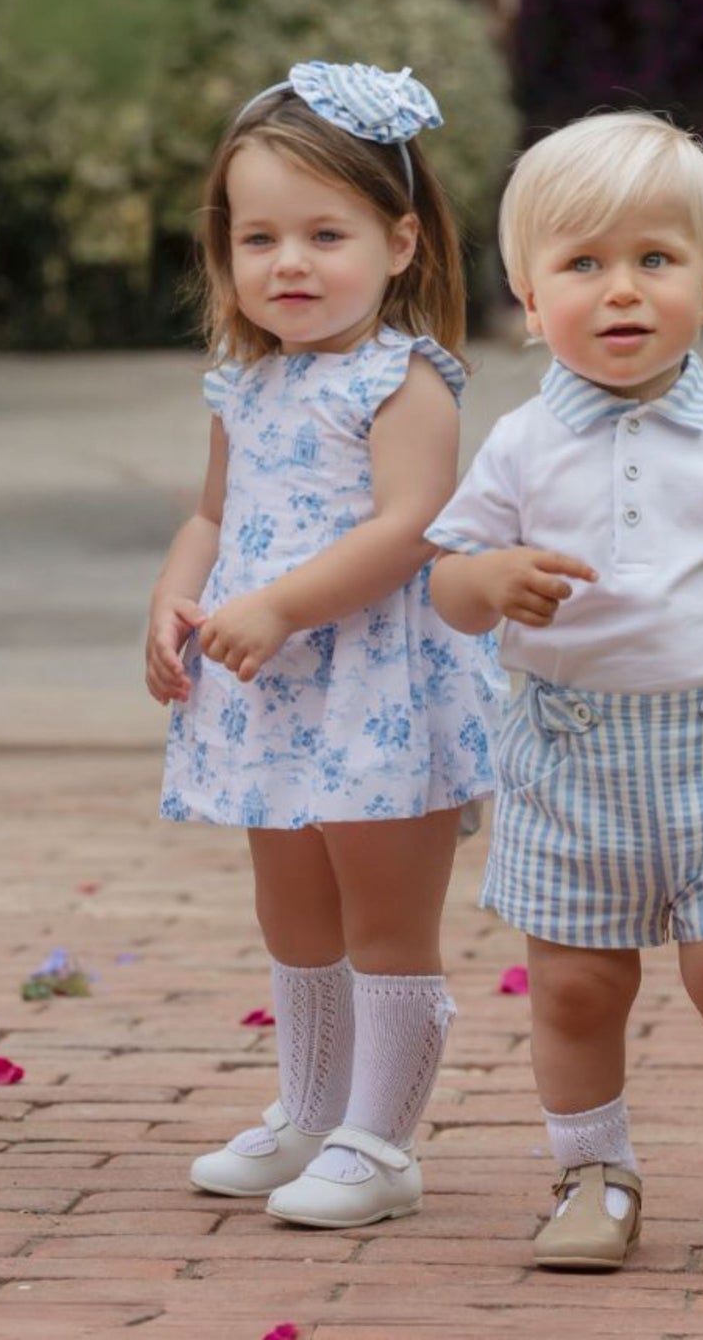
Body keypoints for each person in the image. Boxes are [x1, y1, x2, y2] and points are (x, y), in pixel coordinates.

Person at [425, 111, 703, 1272]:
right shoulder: (520, 445)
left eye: (655, 260)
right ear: (529, 297)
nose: (620, 291)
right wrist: (489, 578)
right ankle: (591, 1175)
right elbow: (448, 589)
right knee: (576, 986)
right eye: (582, 265)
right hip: (568, 758)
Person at [145, 61, 506, 1230]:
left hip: (376, 687)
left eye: (322, 233)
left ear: (401, 243)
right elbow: (211, 514)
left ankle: (381, 1140)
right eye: (258, 238)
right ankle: (307, 1109)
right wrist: (175, 597)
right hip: (265, 685)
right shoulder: (242, 387)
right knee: (291, 908)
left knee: (384, 916)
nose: (287, 263)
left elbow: (410, 529)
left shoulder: (405, 381)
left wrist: (286, 604)